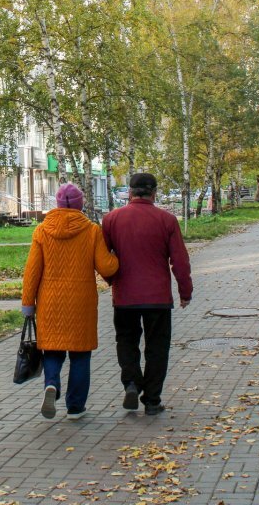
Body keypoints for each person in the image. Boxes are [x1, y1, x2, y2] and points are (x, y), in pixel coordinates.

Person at [21, 182, 118, 419]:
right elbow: (106, 266)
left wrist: (27, 304)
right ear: (80, 204)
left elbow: (32, 270)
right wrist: (117, 257)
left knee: (52, 350)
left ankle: (51, 385)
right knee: (80, 354)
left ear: (56, 203)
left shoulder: (42, 231)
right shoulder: (91, 230)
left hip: (49, 302)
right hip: (81, 303)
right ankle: (75, 407)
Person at [102, 172, 193, 416]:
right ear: (154, 194)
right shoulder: (167, 220)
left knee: (127, 342)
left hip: (124, 298)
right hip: (158, 299)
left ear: (129, 193)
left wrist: (112, 280)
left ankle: (131, 383)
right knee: (157, 348)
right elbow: (180, 261)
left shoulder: (111, 220)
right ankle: (152, 400)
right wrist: (186, 291)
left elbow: (102, 260)